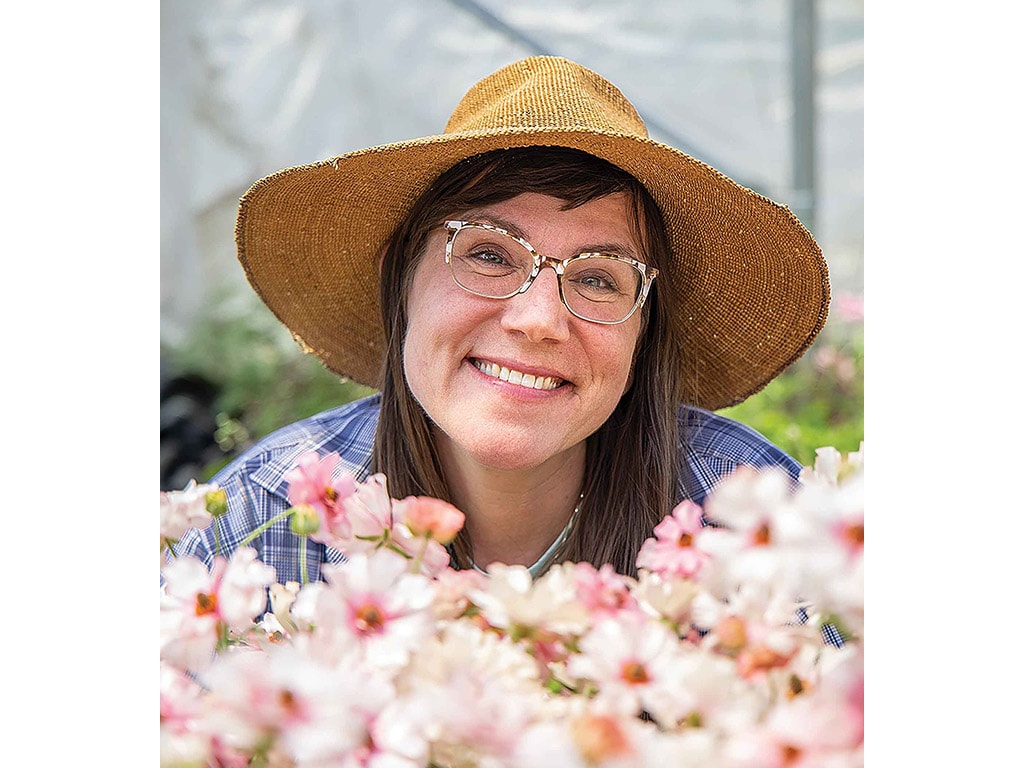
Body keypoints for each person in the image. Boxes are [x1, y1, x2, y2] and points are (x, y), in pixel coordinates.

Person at [173, 55, 829, 586]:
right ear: (402, 282)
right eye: (488, 254)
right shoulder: (265, 521)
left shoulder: (752, 519)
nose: (538, 319)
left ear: (644, 332)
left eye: (599, 278)